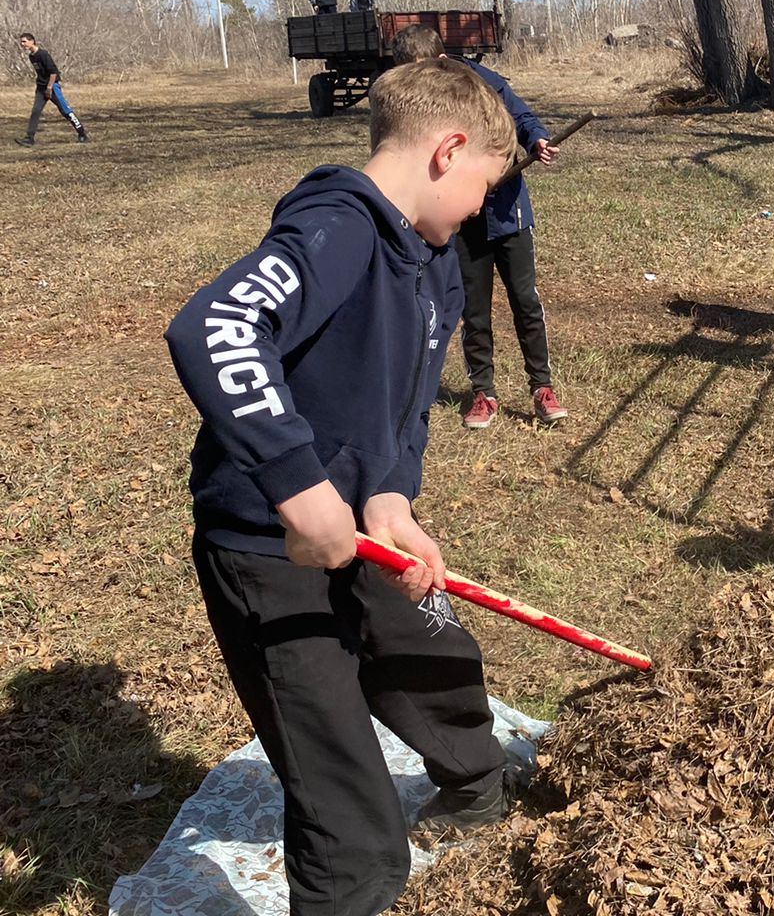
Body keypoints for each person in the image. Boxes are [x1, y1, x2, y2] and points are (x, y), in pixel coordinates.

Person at [164, 57, 518, 915]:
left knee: (432, 654)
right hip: (270, 548)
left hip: (364, 525)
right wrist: (298, 484)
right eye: (484, 188)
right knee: (346, 807)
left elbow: (402, 404)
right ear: (449, 150)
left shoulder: (431, 256)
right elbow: (216, 326)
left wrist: (391, 494)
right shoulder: (338, 227)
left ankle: (475, 789)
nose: (483, 210)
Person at [390, 25, 569, 427]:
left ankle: (542, 386)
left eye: (423, 73)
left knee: (525, 300)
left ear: (441, 62)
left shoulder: (480, 82)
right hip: (460, 216)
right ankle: (483, 393)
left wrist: (536, 139)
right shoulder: (413, 101)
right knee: (474, 307)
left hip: (507, 212)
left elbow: (521, 116)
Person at [16, 34, 88, 147]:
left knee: (65, 111)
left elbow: (54, 72)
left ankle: (82, 133)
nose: (22, 44)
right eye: (21, 42)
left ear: (32, 41)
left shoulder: (43, 54)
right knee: (36, 111)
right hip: (41, 88)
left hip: (52, 87)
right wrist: (42, 86)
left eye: (24, 41)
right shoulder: (32, 56)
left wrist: (49, 88)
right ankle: (29, 139)